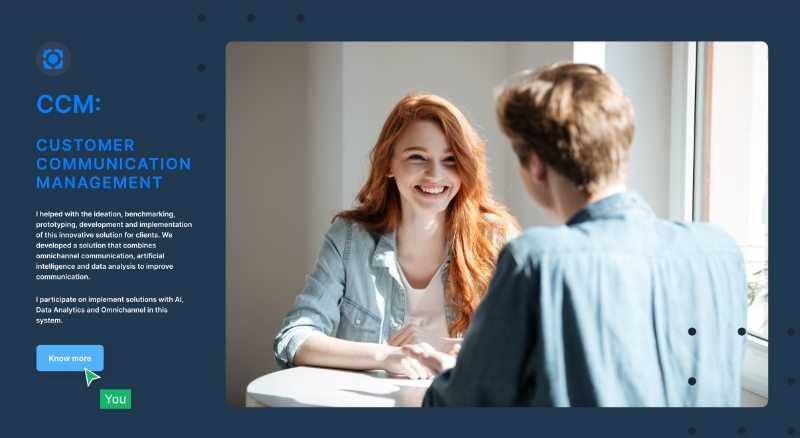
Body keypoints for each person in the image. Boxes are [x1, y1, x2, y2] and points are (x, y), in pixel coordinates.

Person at [403, 63, 748, 406]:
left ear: (536, 166)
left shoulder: (537, 260)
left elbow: (461, 406)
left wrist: (437, 388)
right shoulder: (722, 251)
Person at [274, 92, 520, 380]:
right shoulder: (348, 239)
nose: (435, 173)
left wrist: (442, 345)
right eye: (417, 157)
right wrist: (385, 356)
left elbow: (529, 345)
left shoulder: (496, 239)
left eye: (450, 159)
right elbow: (295, 338)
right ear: (388, 164)